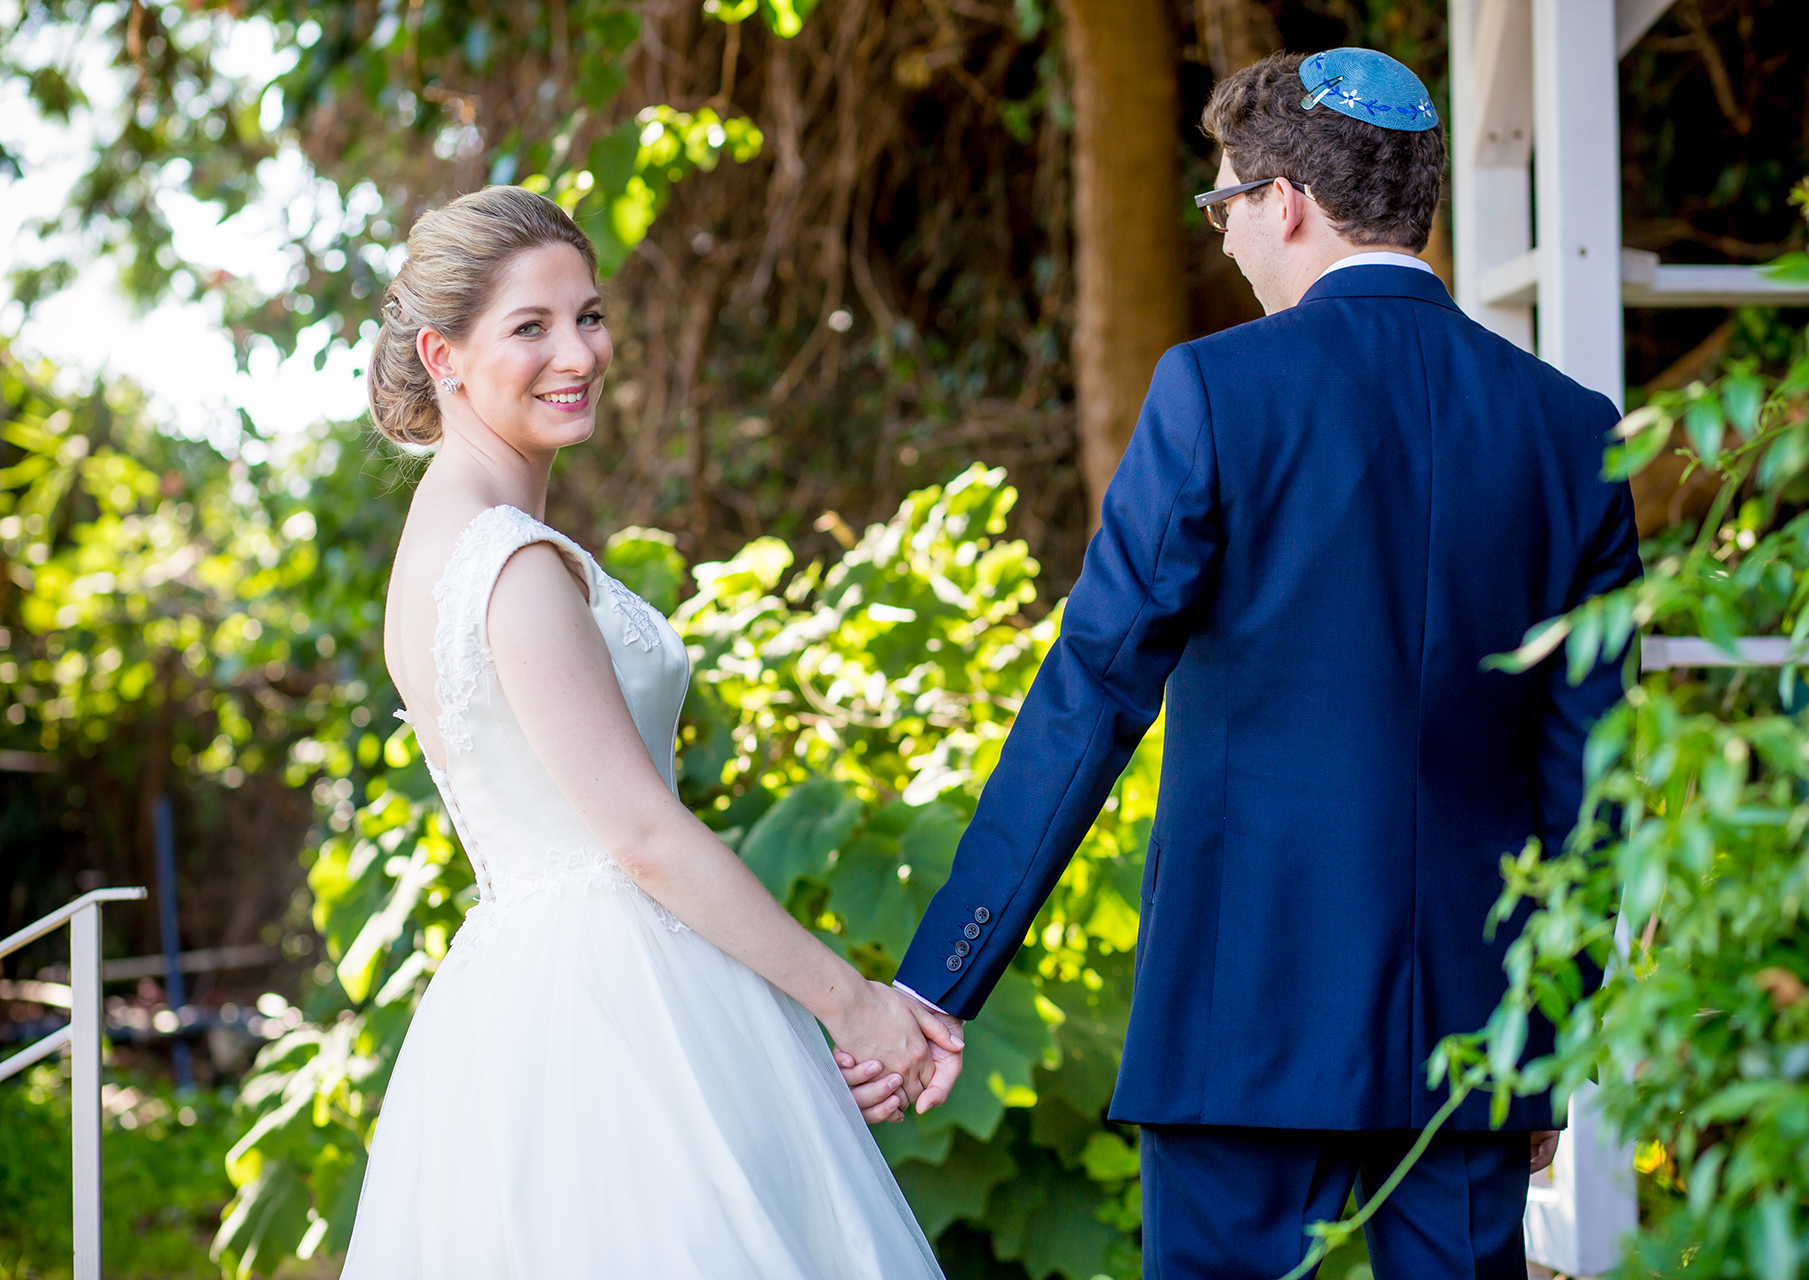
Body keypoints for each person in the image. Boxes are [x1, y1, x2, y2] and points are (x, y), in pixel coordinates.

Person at [887, 49, 1641, 1280]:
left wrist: (941, 978)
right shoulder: (1571, 431)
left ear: (1284, 202)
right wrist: (1538, 1045)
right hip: (1474, 1037)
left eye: (1223, 201)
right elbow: (1592, 777)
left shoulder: (1216, 391)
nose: (1227, 236)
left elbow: (1094, 691)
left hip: (1240, 1017)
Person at [344, 184, 959, 1278]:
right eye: (530, 327)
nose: (577, 352)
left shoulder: (443, 544)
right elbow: (641, 834)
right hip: (621, 1010)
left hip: (529, 997)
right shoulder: (509, 563)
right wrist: (854, 1005)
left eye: (588, 315)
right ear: (443, 355)